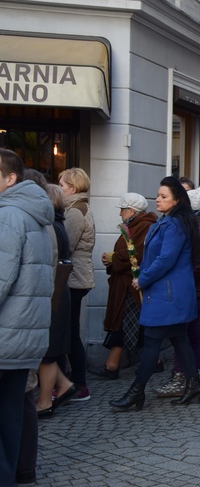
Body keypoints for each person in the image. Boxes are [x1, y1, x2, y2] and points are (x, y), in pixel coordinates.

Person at [110, 177, 200, 411]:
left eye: (163, 197)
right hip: (167, 292)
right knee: (179, 339)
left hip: (168, 294)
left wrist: (143, 278)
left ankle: (136, 392)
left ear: (177, 200)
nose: (157, 199)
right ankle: (193, 385)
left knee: (152, 341)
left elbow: (166, 259)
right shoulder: (167, 222)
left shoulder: (174, 225)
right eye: (158, 195)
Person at [0, 149, 54, 484]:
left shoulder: (8, 215)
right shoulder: (35, 214)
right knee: (14, 410)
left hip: (6, 333)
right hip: (23, 335)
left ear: (10, 179)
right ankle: (19, 472)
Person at [154, 186, 200, 397]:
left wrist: (181, 277)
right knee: (192, 334)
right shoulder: (197, 225)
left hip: (195, 289)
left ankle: (184, 378)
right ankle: (196, 379)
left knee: (185, 335)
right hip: (195, 288)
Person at [90, 193, 156, 380]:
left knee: (127, 323)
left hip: (132, 286)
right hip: (125, 284)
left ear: (131, 210)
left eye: (122, 210)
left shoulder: (144, 226)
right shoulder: (135, 225)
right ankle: (150, 361)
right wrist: (113, 259)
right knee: (130, 324)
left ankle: (113, 365)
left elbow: (136, 255)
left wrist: (115, 258)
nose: (120, 214)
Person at [36, 183, 77, 418]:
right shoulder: (58, 223)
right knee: (49, 352)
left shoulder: (52, 225)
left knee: (49, 353)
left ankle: (45, 401)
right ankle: (64, 386)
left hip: (56, 293)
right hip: (60, 292)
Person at [58, 167, 96, 402]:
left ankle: (78, 385)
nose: (58, 187)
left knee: (69, 334)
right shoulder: (77, 208)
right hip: (77, 277)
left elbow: (65, 246)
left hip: (74, 279)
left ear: (72, 187)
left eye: (61, 184)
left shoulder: (74, 211)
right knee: (69, 332)